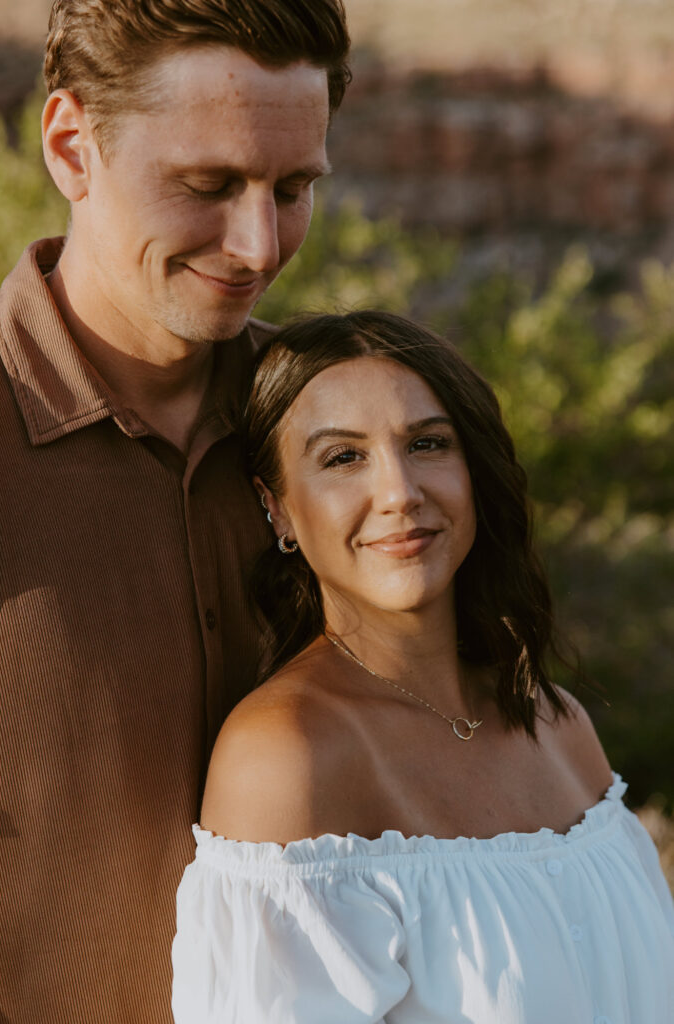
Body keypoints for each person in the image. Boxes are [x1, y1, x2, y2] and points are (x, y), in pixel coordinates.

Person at [0, 2, 350, 1022]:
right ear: (71, 145)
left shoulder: (349, 436)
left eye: (292, 190)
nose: (256, 243)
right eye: (207, 185)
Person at [172, 311, 674, 1023]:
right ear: (275, 506)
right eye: (342, 457)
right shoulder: (286, 758)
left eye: (428, 444)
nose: (400, 492)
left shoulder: (556, 721)